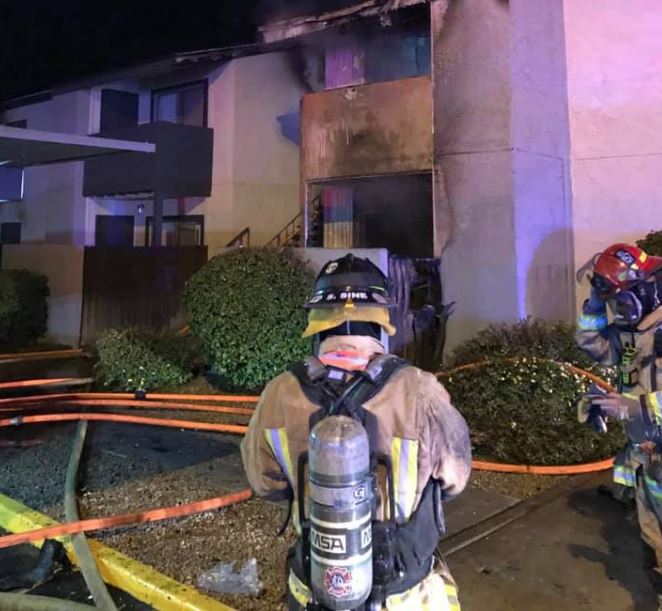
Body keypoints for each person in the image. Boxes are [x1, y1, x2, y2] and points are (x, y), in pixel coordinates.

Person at [241, 253, 471, 610]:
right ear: (381, 323)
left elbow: (264, 483)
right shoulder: (420, 390)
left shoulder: (280, 392)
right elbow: (455, 479)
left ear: (317, 326)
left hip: (313, 589)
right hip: (402, 597)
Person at [576, 242, 662, 607]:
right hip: (648, 457)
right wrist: (594, 301)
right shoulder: (632, 332)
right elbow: (591, 342)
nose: (618, 308)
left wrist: (632, 408)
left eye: (620, 299)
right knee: (653, 540)